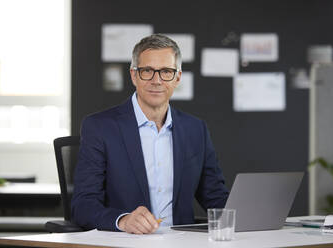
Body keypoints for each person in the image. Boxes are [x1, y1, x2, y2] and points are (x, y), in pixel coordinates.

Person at [71, 34, 229, 234]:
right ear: (134, 75)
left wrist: (255, 215)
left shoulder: (195, 130)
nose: (157, 80)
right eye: (147, 71)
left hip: (183, 243)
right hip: (126, 243)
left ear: (177, 77)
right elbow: (83, 205)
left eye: (166, 72)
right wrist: (123, 221)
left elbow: (215, 197)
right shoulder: (100, 127)